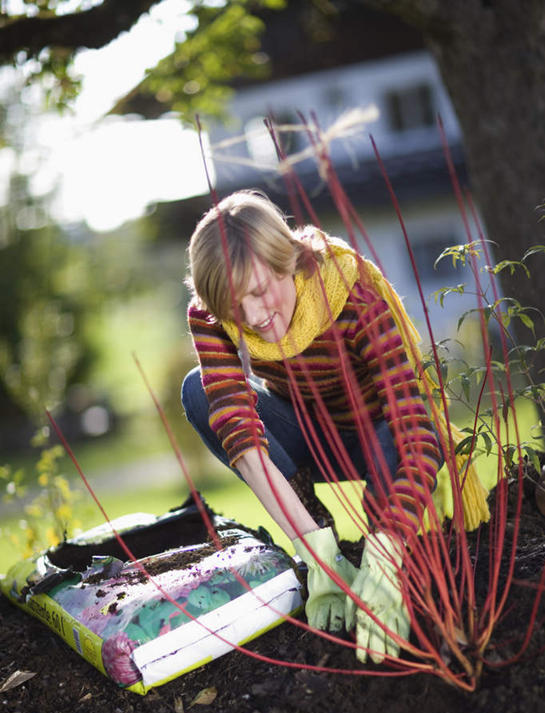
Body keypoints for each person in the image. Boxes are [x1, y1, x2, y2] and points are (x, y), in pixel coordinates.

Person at [181, 189, 489, 663]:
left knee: (403, 430)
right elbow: (242, 434)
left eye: (262, 292)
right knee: (197, 391)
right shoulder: (214, 310)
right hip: (310, 436)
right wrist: (316, 552)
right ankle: (330, 545)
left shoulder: (350, 292)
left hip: (379, 435)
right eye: (236, 307)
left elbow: (414, 428)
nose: (255, 318)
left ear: (288, 260)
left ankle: (385, 545)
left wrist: (387, 552)